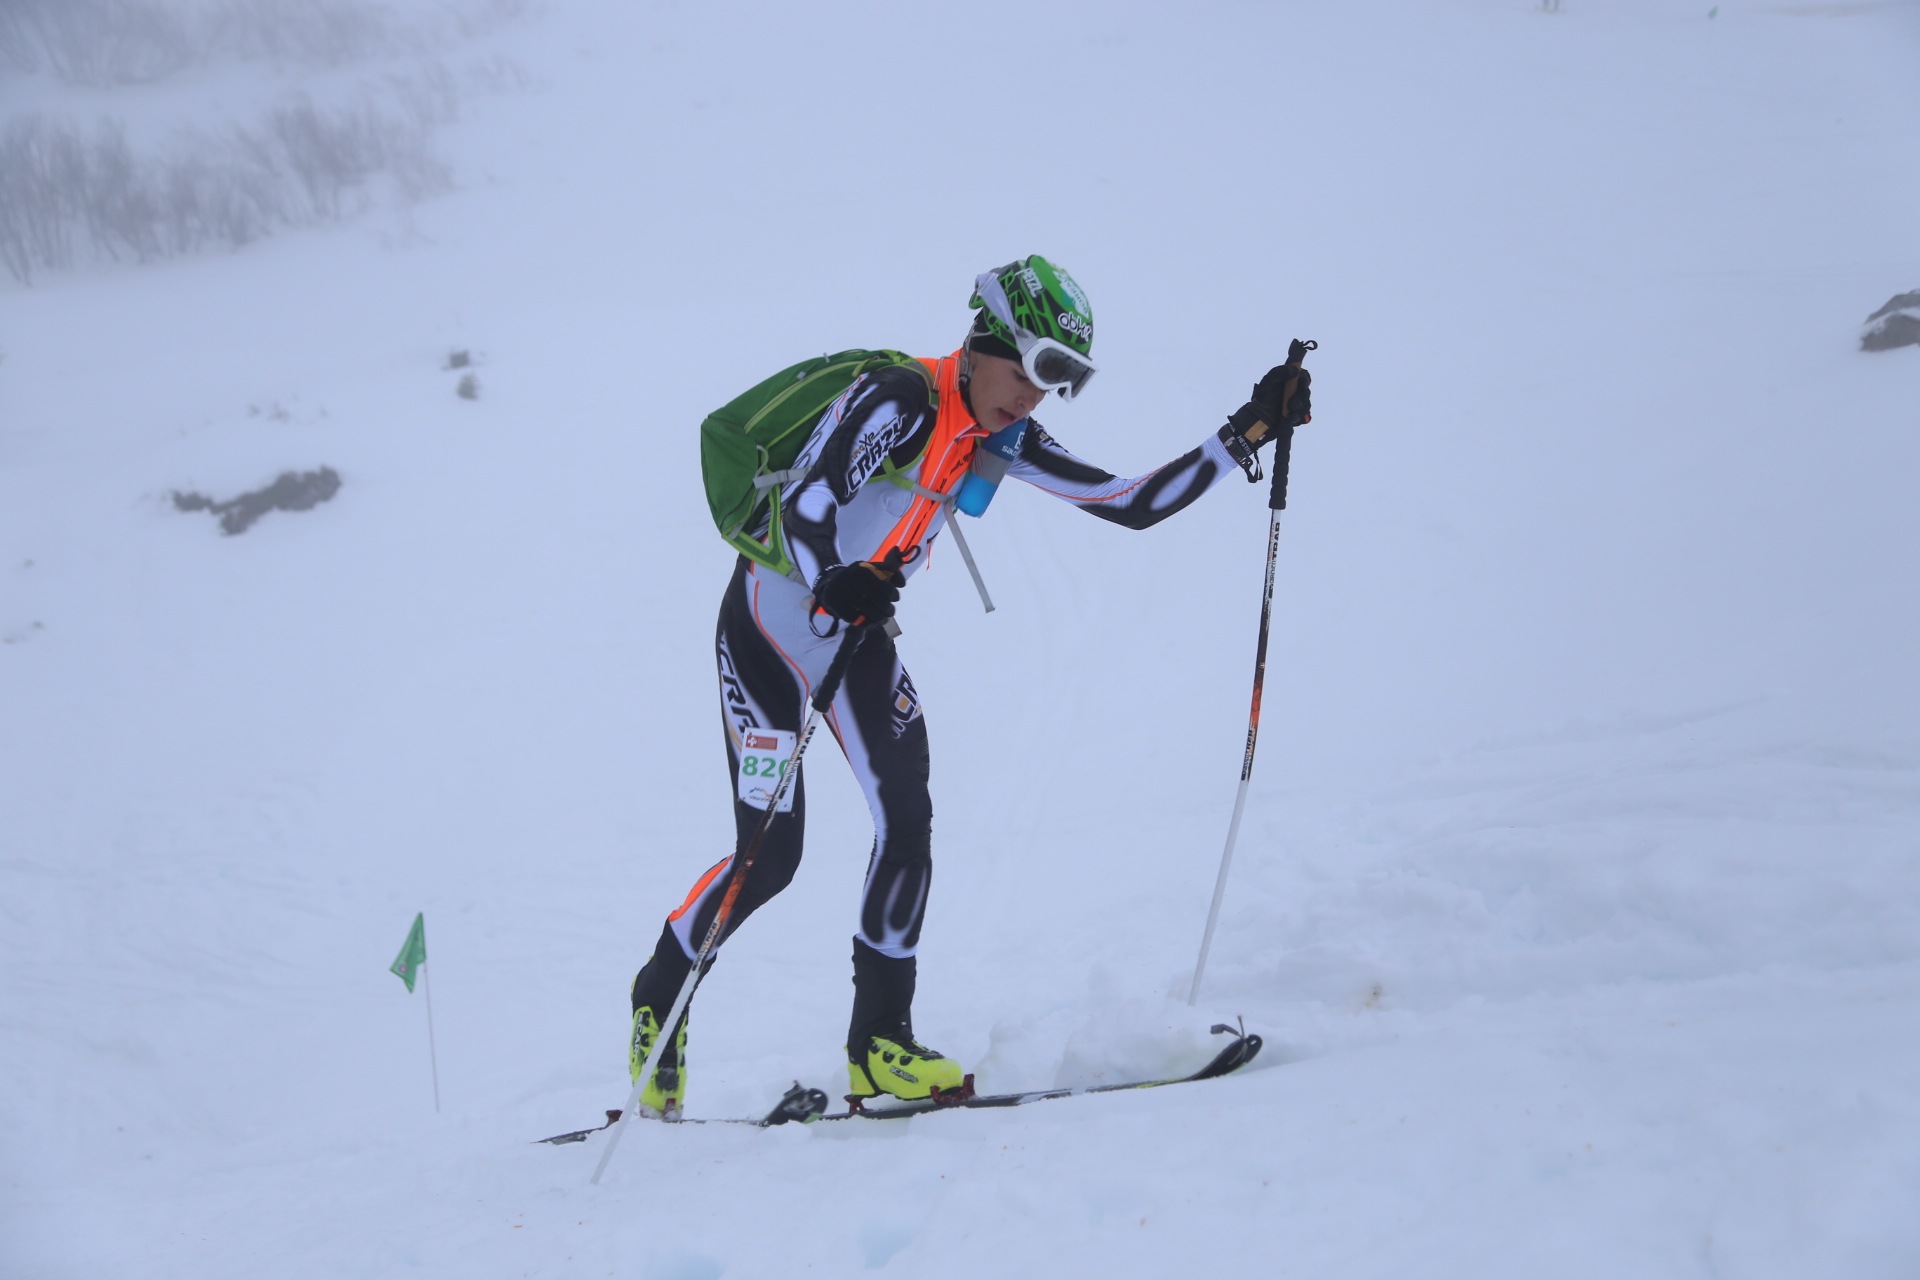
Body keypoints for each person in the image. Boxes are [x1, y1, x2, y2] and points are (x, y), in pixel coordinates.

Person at [626, 256, 1311, 1114]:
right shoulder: (897, 400)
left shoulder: (1003, 437)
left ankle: (880, 1044)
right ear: (986, 341)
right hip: (768, 630)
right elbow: (808, 504)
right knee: (770, 858)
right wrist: (834, 575)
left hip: (855, 628)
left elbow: (1128, 502)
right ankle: (659, 996)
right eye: (1031, 369)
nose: (1033, 397)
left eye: (1058, 381)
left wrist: (1250, 429)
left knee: (906, 817)